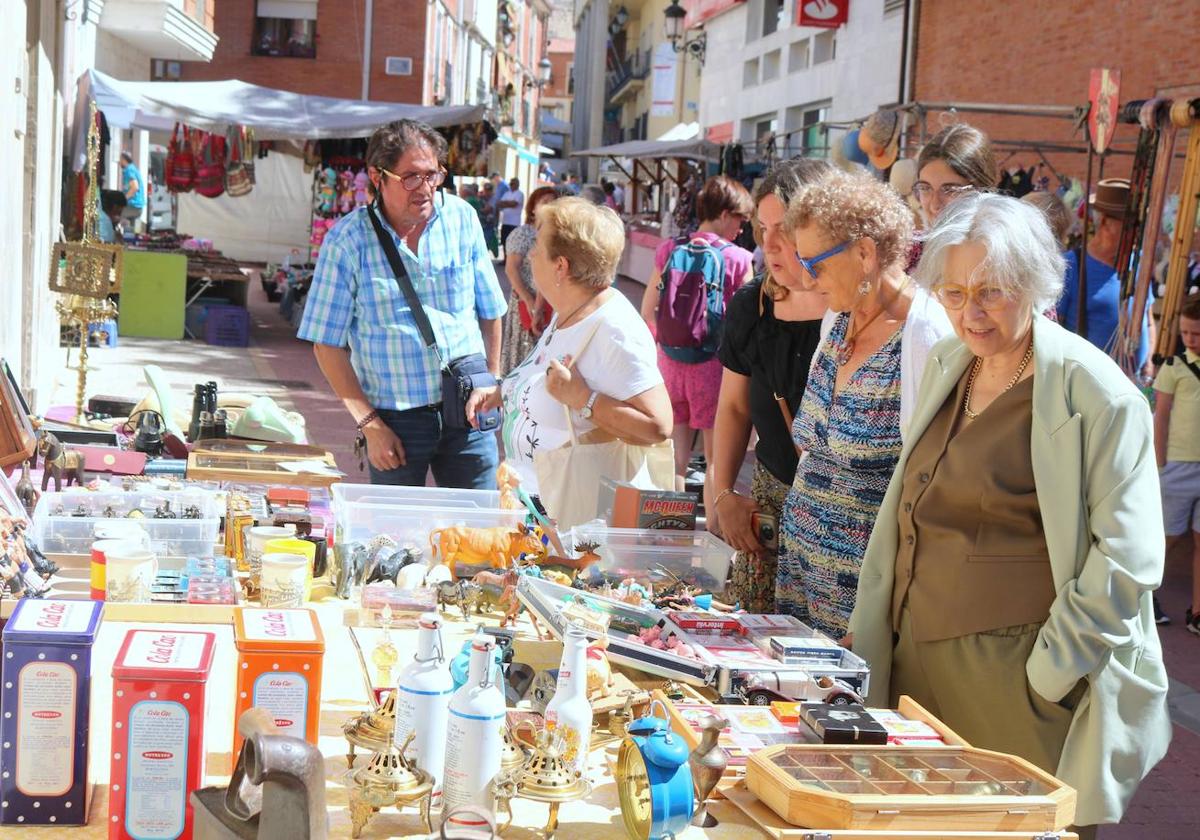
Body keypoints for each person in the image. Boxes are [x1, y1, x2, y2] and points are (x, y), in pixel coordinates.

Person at [849, 192, 1170, 837]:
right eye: (953, 292)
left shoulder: (1097, 395)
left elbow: (1127, 558)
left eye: (991, 292)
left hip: (1020, 692)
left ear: (1035, 285)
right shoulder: (951, 362)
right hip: (917, 670)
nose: (970, 313)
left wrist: (1048, 677)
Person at [777, 168, 952, 637]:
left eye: (815, 263)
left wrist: (878, 615)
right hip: (801, 578)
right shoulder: (837, 318)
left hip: (862, 602)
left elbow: (930, 490)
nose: (806, 278)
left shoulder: (925, 335)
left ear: (865, 252)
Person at [298, 119, 507, 489]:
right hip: (395, 419)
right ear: (377, 178)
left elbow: (491, 310)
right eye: (410, 177)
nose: (424, 188)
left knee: (479, 527)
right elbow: (326, 344)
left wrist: (490, 382)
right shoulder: (347, 241)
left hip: (468, 409)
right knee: (396, 536)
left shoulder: (462, 219)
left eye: (432, 175)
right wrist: (370, 425)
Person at [476, 197, 672, 505]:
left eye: (538, 246)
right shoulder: (568, 310)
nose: (530, 255)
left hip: (572, 523)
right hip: (533, 505)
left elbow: (658, 426)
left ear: (560, 266)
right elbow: (545, 375)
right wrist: (503, 391)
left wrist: (583, 398)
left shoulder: (614, 329)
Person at [710, 160, 831, 613]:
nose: (771, 245)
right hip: (768, 512)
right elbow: (734, 408)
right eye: (763, 229)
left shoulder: (857, 313)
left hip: (838, 524)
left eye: (786, 229)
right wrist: (723, 495)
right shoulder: (753, 304)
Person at [640, 176, 755, 509]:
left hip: (669, 363)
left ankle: (671, 527)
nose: (741, 228)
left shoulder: (669, 248)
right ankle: (713, 533)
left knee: (675, 457)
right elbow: (743, 325)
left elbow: (648, 309)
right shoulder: (737, 259)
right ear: (723, 213)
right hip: (712, 368)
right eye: (740, 219)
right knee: (717, 459)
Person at [1057, 178, 1152, 376]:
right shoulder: (1070, 266)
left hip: (1136, 382)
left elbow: (1149, 319)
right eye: (1132, 225)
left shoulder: (1139, 263)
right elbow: (1053, 329)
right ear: (1106, 222)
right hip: (1088, 385)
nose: (1138, 232)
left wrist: (1149, 364)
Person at [1153, 294, 1200, 634]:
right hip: (1178, 464)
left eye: (1196, 333)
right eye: (1185, 332)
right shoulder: (1173, 367)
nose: (1190, 339)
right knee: (1165, 539)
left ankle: (1197, 610)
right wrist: (1159, 458)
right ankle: (1147, 595)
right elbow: (1162, 414)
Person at [501, 185, 560, 375]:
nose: (549, 206)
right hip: (524, 301)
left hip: (549, 300)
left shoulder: (556, 236)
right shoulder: (523, 234)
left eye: (553, 202)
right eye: (544, 202)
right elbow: (511, 269)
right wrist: (530, 301)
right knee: (523, 351)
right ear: (533, 208)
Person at [912, 123, 997, 228]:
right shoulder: (910, 243)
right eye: (925, 188)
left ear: (982, 190)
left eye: (950, 190)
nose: (935, 205)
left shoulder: (1007, 243)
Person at [119, 151, 146, 232]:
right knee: (135, 231)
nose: (119, 162)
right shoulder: (133, 168)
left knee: (117, 215)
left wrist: (123, 199)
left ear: (124, 159)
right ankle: (134, 240)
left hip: (132, 205)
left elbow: (134, 187)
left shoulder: (129, 170)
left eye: (120, 159)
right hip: (139, 207)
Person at [498, 178, 524, 253]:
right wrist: (508, 203)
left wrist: (505, 203)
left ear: (517, 184)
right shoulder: (507, 193)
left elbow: (514, 204)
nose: (511, 185)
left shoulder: (520, 194)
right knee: (504, 241)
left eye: (513, 184)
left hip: (514, 222)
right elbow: (499, 203)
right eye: (510, 184)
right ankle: (505, 259)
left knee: (512, 242)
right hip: (505, 221)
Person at [477, 181, 500, 257]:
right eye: (485, 190)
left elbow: (488, 210)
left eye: (488, 190)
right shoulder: (482, 197)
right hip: (483, 224)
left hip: (489, 224)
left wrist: (478, 209)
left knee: (486, 242)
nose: (487, 192)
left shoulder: (493, 198)